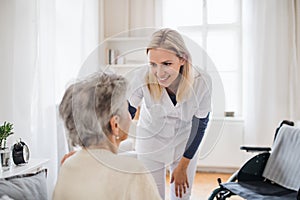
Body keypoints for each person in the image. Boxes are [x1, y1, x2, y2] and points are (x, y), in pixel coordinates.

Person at [128, 28, 212, 200]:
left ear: (182, 59)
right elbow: (126, 113)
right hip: (150, 140)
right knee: (151, 195)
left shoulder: (201, 81)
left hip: (185, 141)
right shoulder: (141, 76)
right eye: (153, 64)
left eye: (167, 64)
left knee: (181, 195)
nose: (159, 73)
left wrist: (183, 165)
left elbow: (201, 124)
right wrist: (96, 149)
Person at [53, 73, 161, 200]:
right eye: (127, 108)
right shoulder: (133, 172)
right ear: (115, 124)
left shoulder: (67, 166)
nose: (132, 113)